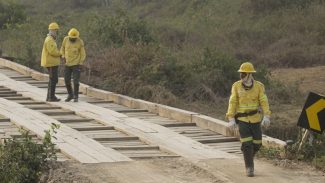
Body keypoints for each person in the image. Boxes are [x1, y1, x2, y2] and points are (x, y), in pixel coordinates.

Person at [226, 62, 271, 177]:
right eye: (241, 74)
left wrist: (266, 116)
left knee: (257, 143)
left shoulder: (259, 86)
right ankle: (249, 168)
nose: (241, 76)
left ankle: (248, 155)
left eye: (243, 74)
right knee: (247, 143)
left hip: (255, 119)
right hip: (242, 119)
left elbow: (264, 101)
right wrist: (231, 118)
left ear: (250, 75)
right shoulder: (236, 86)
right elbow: (232, 102)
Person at [60, 28, 86, 102]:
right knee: (66, 80)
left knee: (76, 81)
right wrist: (63, 56)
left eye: (74, 38)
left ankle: (76, 96)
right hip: (67, 64)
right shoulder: (65, 39)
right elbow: (62, 48)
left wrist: (81, 63)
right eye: (72, 38)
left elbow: (83, 53)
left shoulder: (80, 42)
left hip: (76, 64)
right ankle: (70, 94)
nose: (73, 39)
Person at [41, 22, 61, 102]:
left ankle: (50, 97)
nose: (56, 32)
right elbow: (52, 51)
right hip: (51, 63)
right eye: (56, 30)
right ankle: (51, 97)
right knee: (53, 79)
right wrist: (60, 53)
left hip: (52, 63)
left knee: (53, 79)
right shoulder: (49, 40)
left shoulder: (51, 39)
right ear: (52, 31)